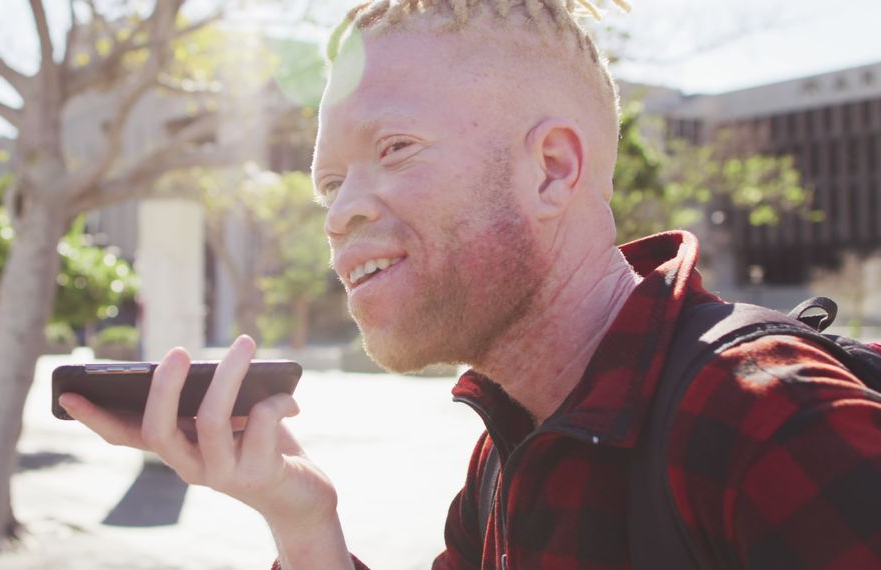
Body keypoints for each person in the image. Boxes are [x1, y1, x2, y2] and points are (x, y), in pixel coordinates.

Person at [59, 1, 881, 568]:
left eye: (396, 149)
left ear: (552, 170)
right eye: (328, 184)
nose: (339, 213)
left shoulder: (770, 420)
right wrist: (300, 517)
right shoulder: (506, 446)